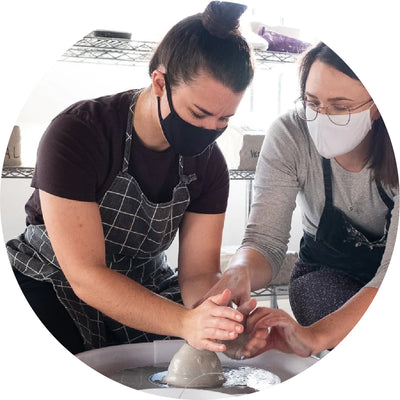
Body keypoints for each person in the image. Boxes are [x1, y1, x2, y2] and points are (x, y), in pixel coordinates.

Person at [6, 1, 255, 354]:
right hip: (53, 274)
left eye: (223, 120)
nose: (209, 130)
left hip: (145, 281)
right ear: (159, 82)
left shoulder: (209, 164)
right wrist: (184, 323)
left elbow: (198, 275)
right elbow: (86, 275)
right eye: (199, 113)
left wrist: (218, 318)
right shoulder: (79, 133)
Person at [203, 42, 398, 358]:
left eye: (340, 106)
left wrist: (314, 337)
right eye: (312, 102)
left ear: (376, 106)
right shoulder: (291, 132)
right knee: (320, 301)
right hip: (326, 273)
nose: (322, 117)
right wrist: (239, 272)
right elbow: (265, 241)